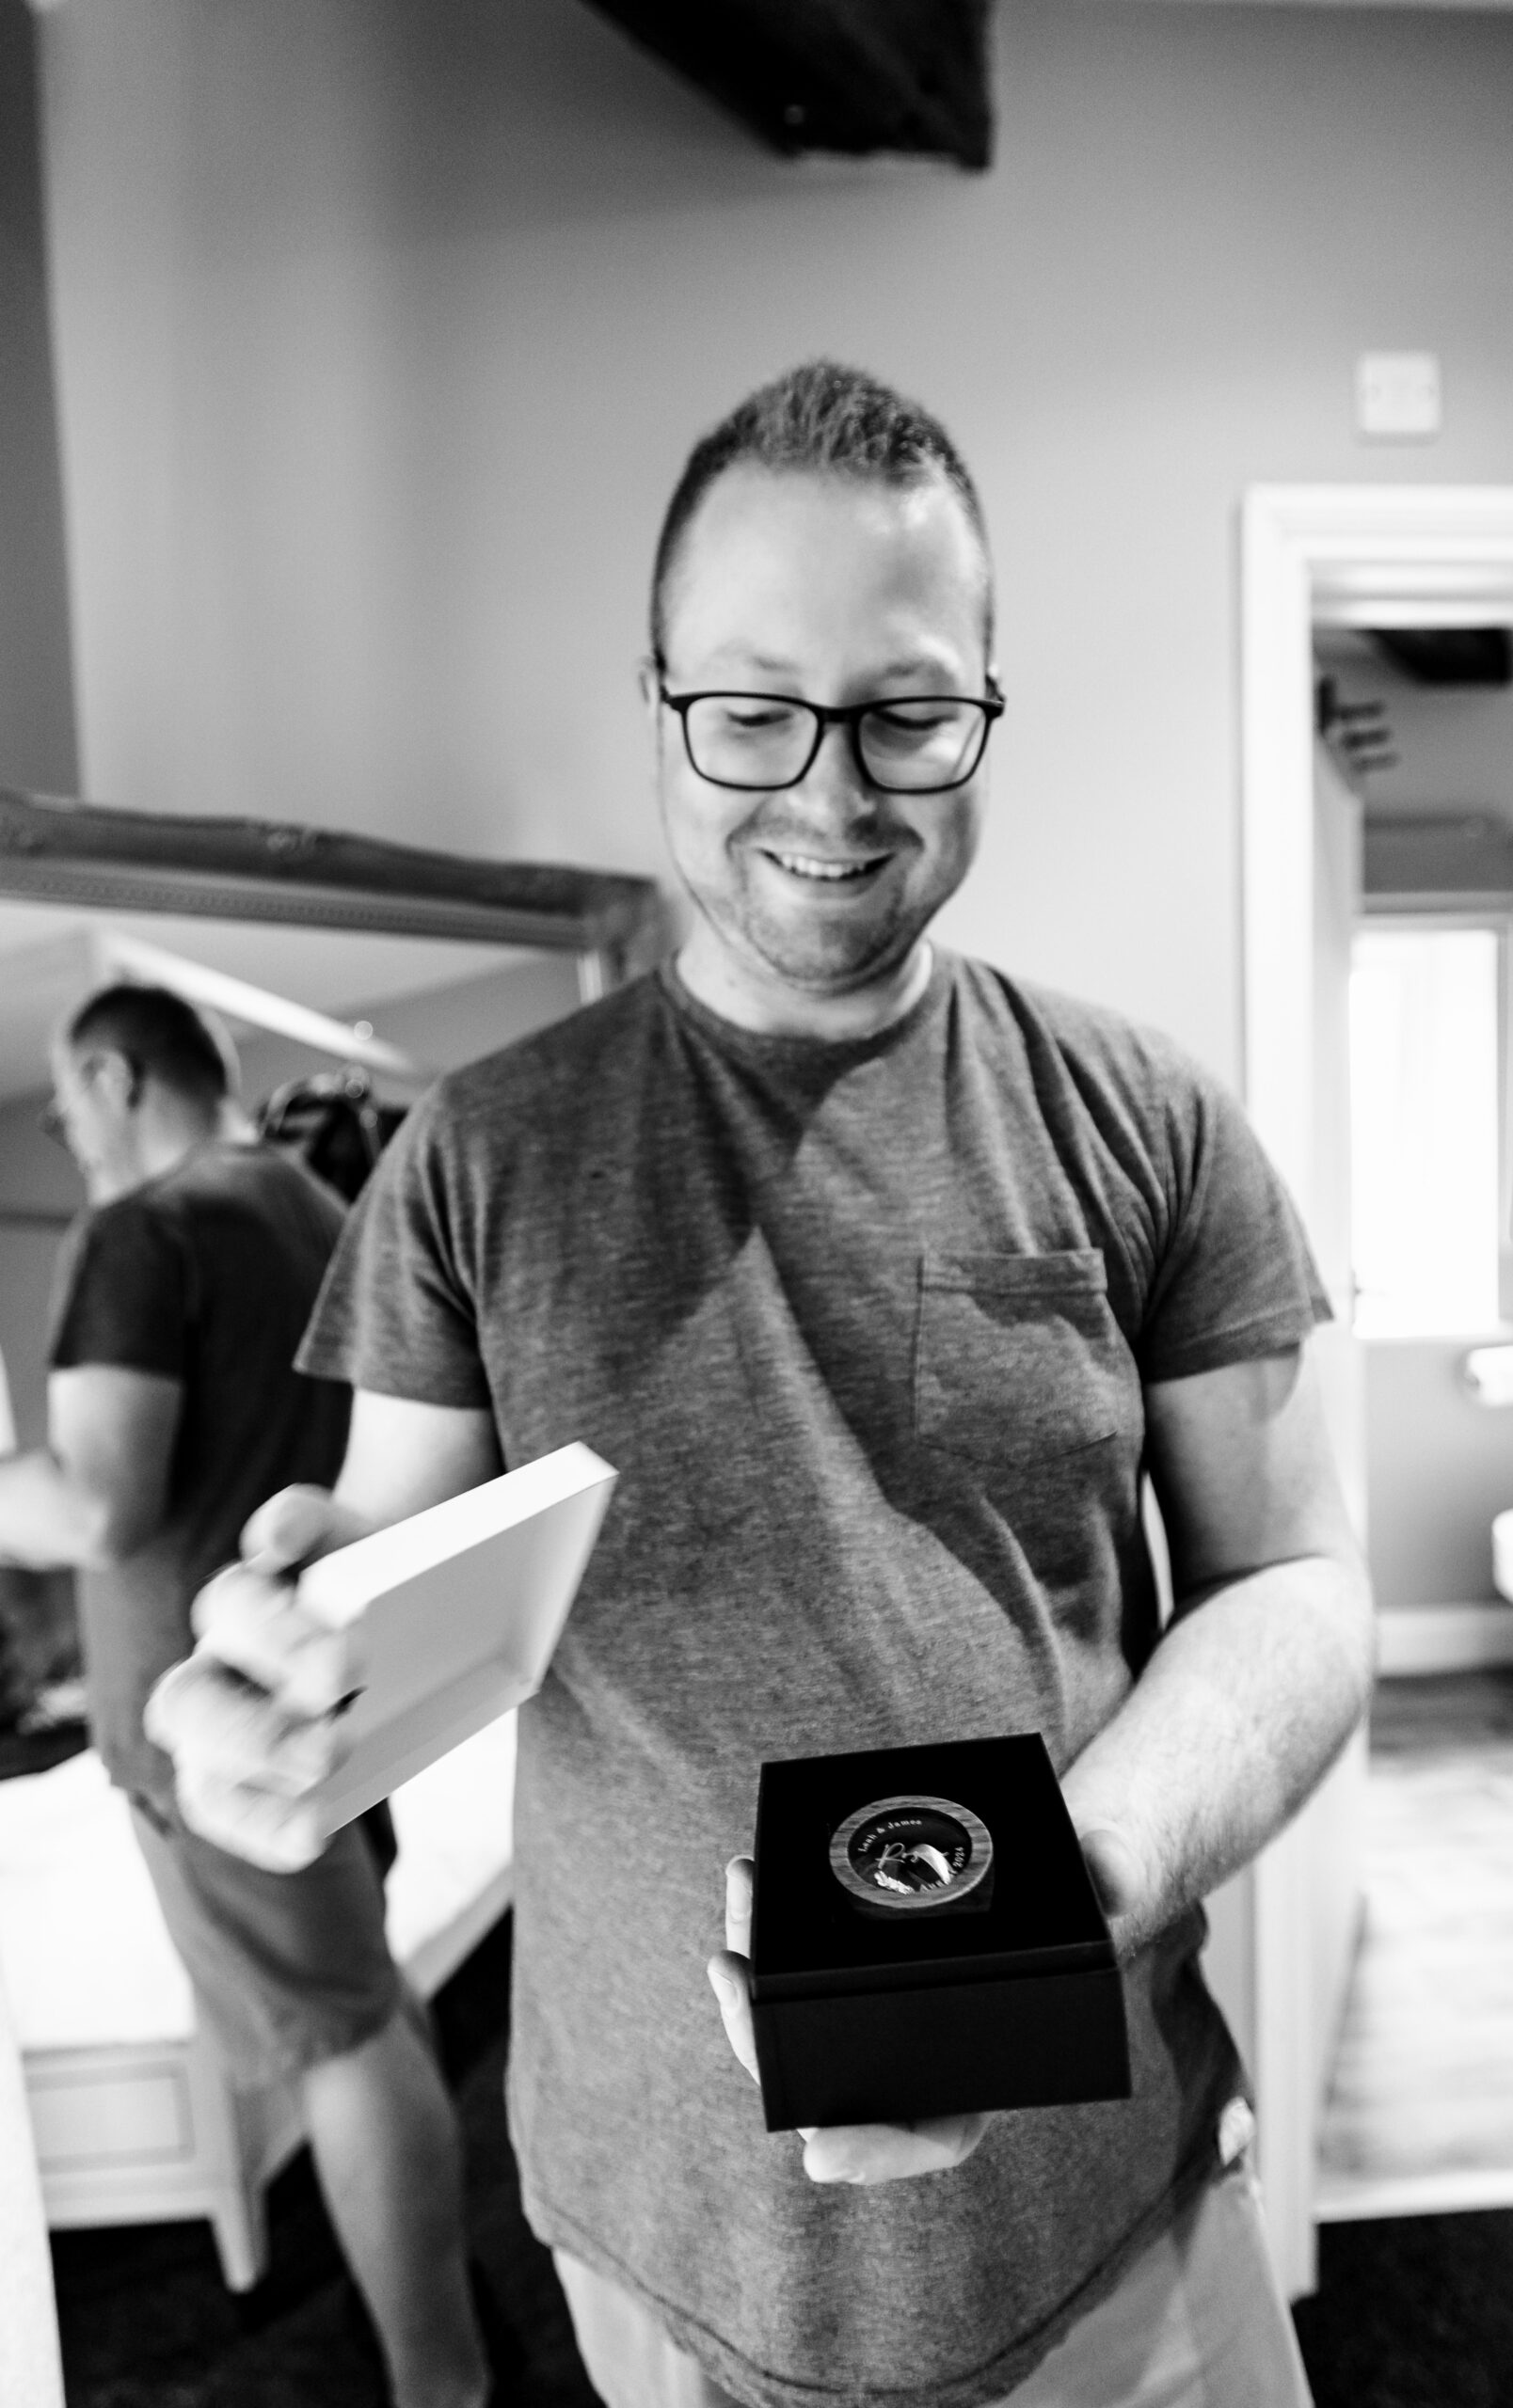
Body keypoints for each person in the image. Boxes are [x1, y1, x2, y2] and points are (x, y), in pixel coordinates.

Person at [151, 363, 1374, 2408]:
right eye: (748, 707)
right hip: (667, 2245)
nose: (826, 790)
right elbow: (390, 1571)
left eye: (904, 708)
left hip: (1116, 2220)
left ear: (986, 699)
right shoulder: (479, 1155)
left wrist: (1072, 1887)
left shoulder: (1143, 1116)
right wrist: (278, 1688)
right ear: (657, 700)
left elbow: (1299, 1585)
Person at [0, 984, 494, 2408]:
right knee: (369, 1997)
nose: (64, 1131)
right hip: (329, 1688)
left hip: (211, 1724)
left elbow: (98, 1504)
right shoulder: (304, 1203)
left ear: (111, 1073)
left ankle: (436, 2383)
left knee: (337, 2038)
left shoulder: (139, 1229)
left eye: (62, 1103)